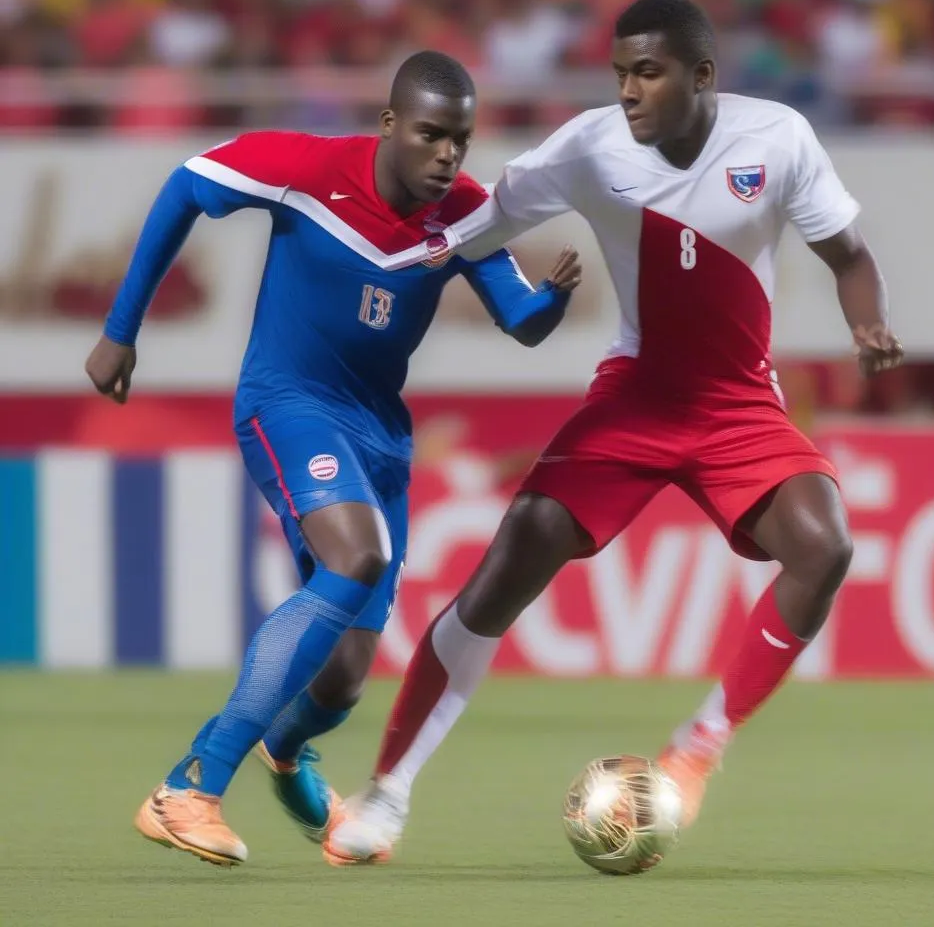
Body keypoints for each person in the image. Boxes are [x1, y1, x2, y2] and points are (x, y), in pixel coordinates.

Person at [325, 0, 904, 865]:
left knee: (824, 545)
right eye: (621, 73)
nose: (629, 91)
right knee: (511, 556)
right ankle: (387, 792)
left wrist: (868, 325)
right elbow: (473, 227)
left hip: (738, 403)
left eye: (649, 72)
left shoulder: (777, 139)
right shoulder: (592, 147)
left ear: (702, 77)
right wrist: (378, 264)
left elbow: (849, 256)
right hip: (635, 398)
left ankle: (699, 746)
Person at [84, 50, 582, 867]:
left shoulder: (466, 211)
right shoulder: (306, 169)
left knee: (346, 675)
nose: (448, 156)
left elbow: (519, 320)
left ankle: (286, 752)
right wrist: (120, 329)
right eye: (430, 136)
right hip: (288, 404)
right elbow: (184, 186)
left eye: (460, 139)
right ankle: (189, 787)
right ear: (390, 125)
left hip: (379, 434)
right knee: (355, 558)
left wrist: (551, 302)